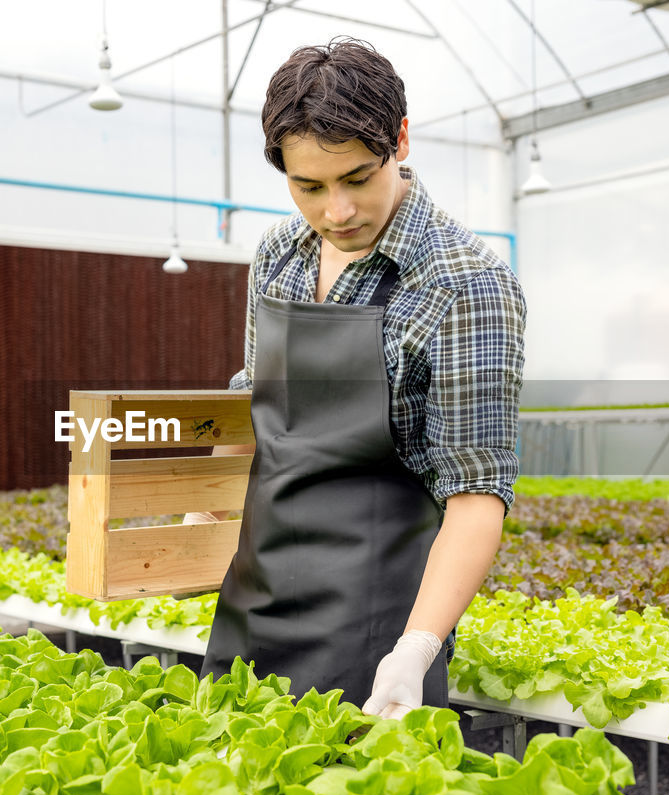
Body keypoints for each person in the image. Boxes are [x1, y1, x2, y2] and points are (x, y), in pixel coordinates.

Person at [190, 38, 525, 720]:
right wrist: (202, 510)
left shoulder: (465, 284)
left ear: (400, 141)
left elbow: (475, 494)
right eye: (307, 186)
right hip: (253, 608)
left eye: (357, 178)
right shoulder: (277, 254)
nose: (335, 212)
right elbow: (255, 400)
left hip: (377, 633)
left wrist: (417, 650)